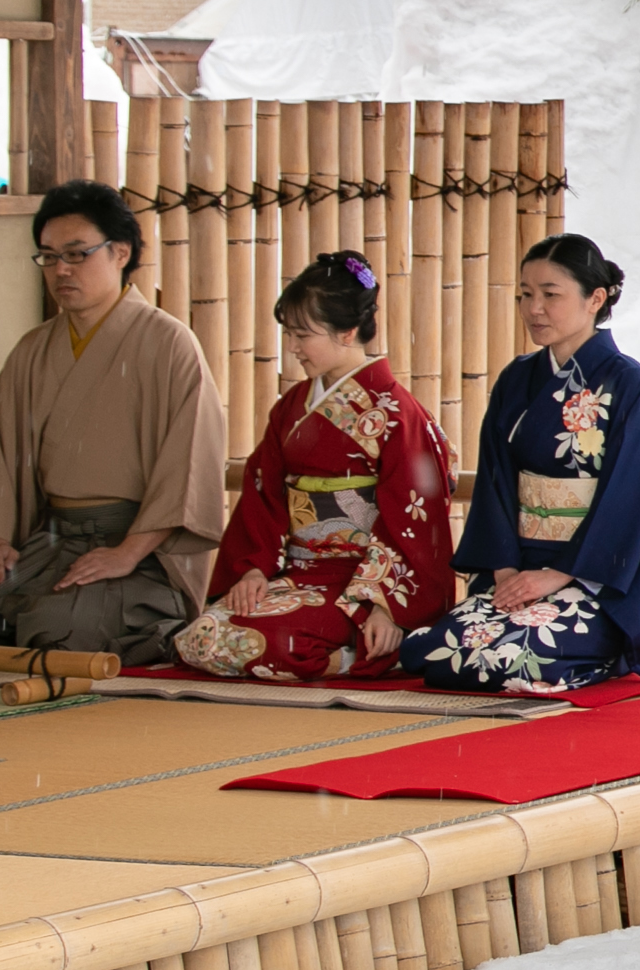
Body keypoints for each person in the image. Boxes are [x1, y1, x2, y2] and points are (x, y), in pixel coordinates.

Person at [0, 180, 227, 667]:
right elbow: (1, 455)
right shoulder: (32, 350)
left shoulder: (169, 344)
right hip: (50, 542)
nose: (61, 270)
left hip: (140, 550)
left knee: (59, 629)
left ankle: (160, 629)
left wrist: (129, 551)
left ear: (120, 252)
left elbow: (189, 464)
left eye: (76, 254)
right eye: (47, 257)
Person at [401, 236, 640, 694]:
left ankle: (600, 657)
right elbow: (495, 481)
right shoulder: (517, 378)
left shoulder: (628, 382)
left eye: (551, 294)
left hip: (592, 582)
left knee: (516, 653)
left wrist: (558, 574)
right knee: (433, 651)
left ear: (595, 299)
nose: (535, 309)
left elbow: (631, 496)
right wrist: (505, 569)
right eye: (526, 295)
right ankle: (561, 657)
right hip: (519, 568)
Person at [170, 252, 455, 681]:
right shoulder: (290, 407)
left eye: (303, 335)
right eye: (289, 333)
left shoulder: (395, 413)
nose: (292, 348)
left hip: (358, 586)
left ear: (349, 331)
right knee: (202, 636)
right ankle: (345, 655)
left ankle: (364, 652)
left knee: (266, 643)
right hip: (297, 575)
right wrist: (252, 569)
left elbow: (414, 519)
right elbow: (263, 492)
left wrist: (385, 606)